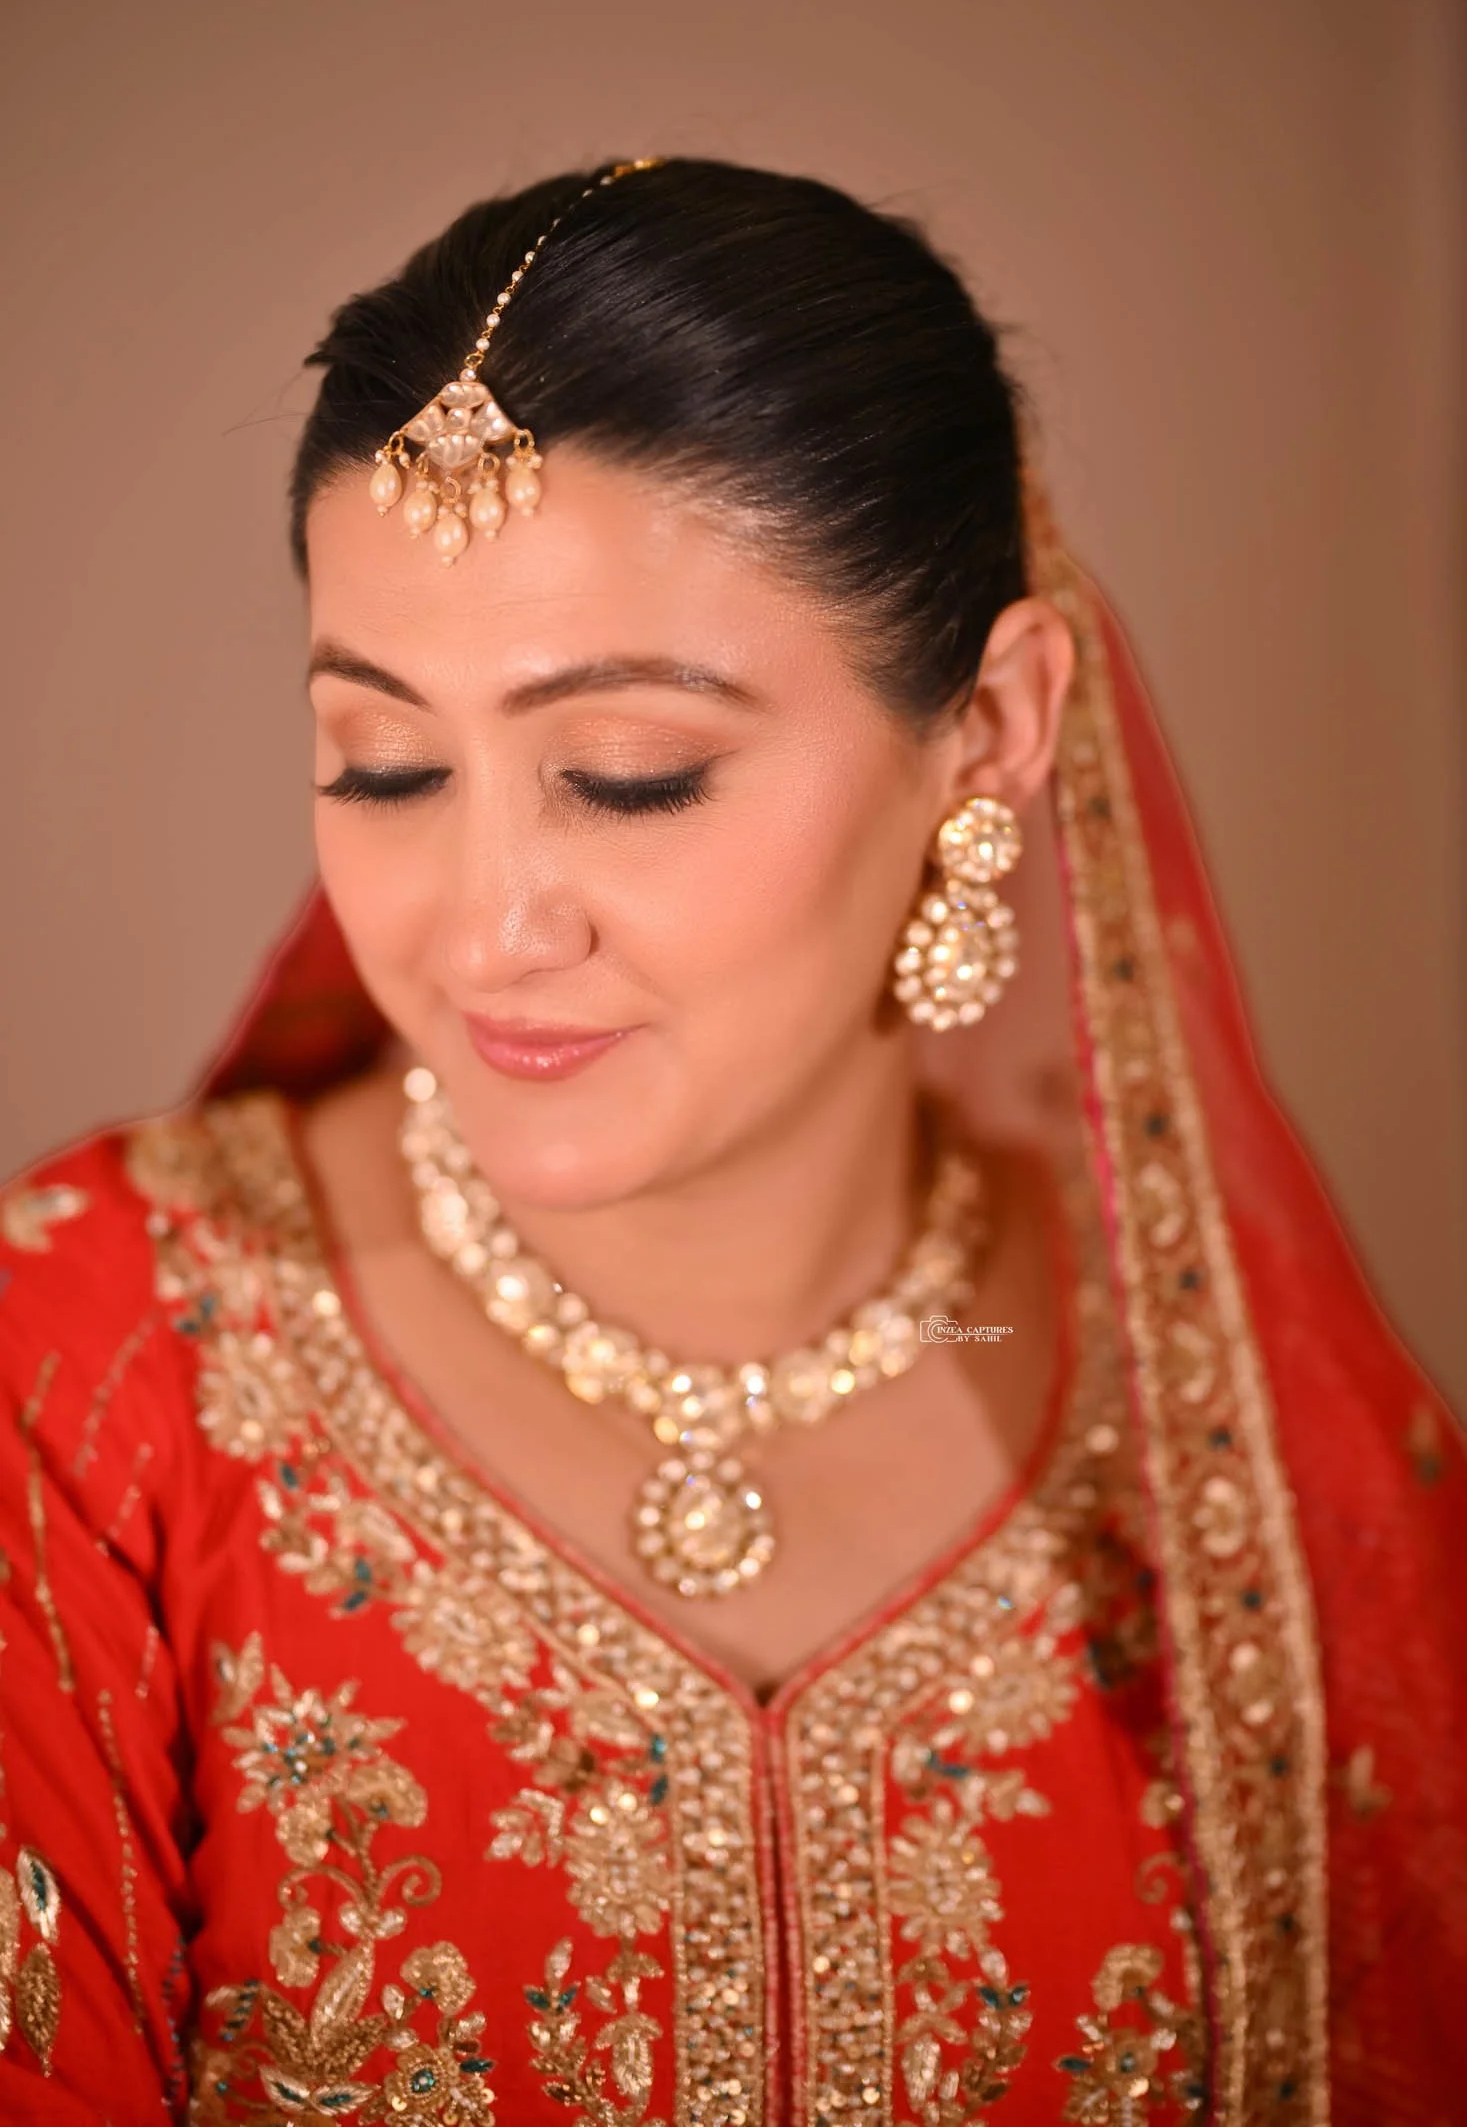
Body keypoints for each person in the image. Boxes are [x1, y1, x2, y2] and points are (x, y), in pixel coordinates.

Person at [0, 155, 1461, 2127]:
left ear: (994, 728)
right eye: (385, 761)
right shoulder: (88, 1372)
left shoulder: (1257, 1488)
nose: (483, 921)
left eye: (629, 773)